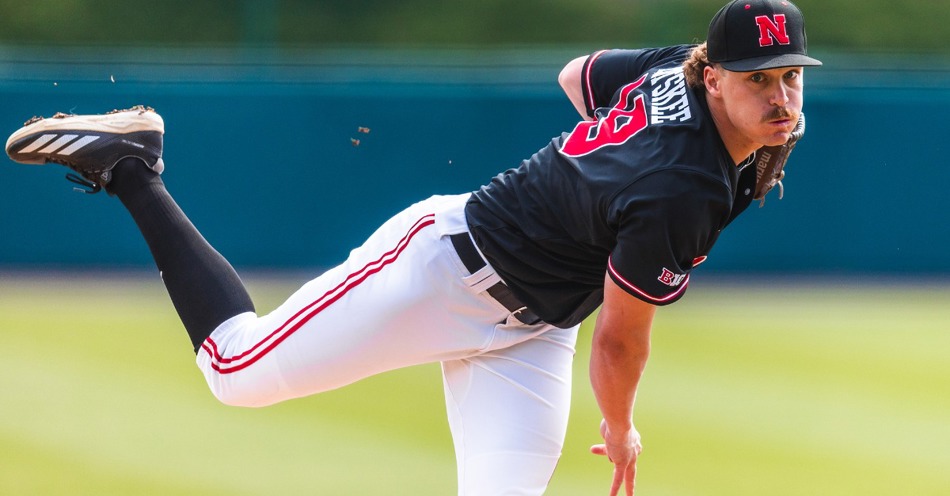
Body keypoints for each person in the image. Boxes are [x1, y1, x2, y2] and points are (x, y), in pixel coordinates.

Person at [4, 0, 820, 494]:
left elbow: (578, 75)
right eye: (758, 78)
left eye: (790, 74)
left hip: (534, 330)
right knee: (235, 373)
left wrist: (600, 173)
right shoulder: (684, 186)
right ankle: (133, 166)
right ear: (714, 77)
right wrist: (622, 425)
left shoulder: (673, 71)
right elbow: (620, 340)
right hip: (445, 270)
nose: (781, 94)